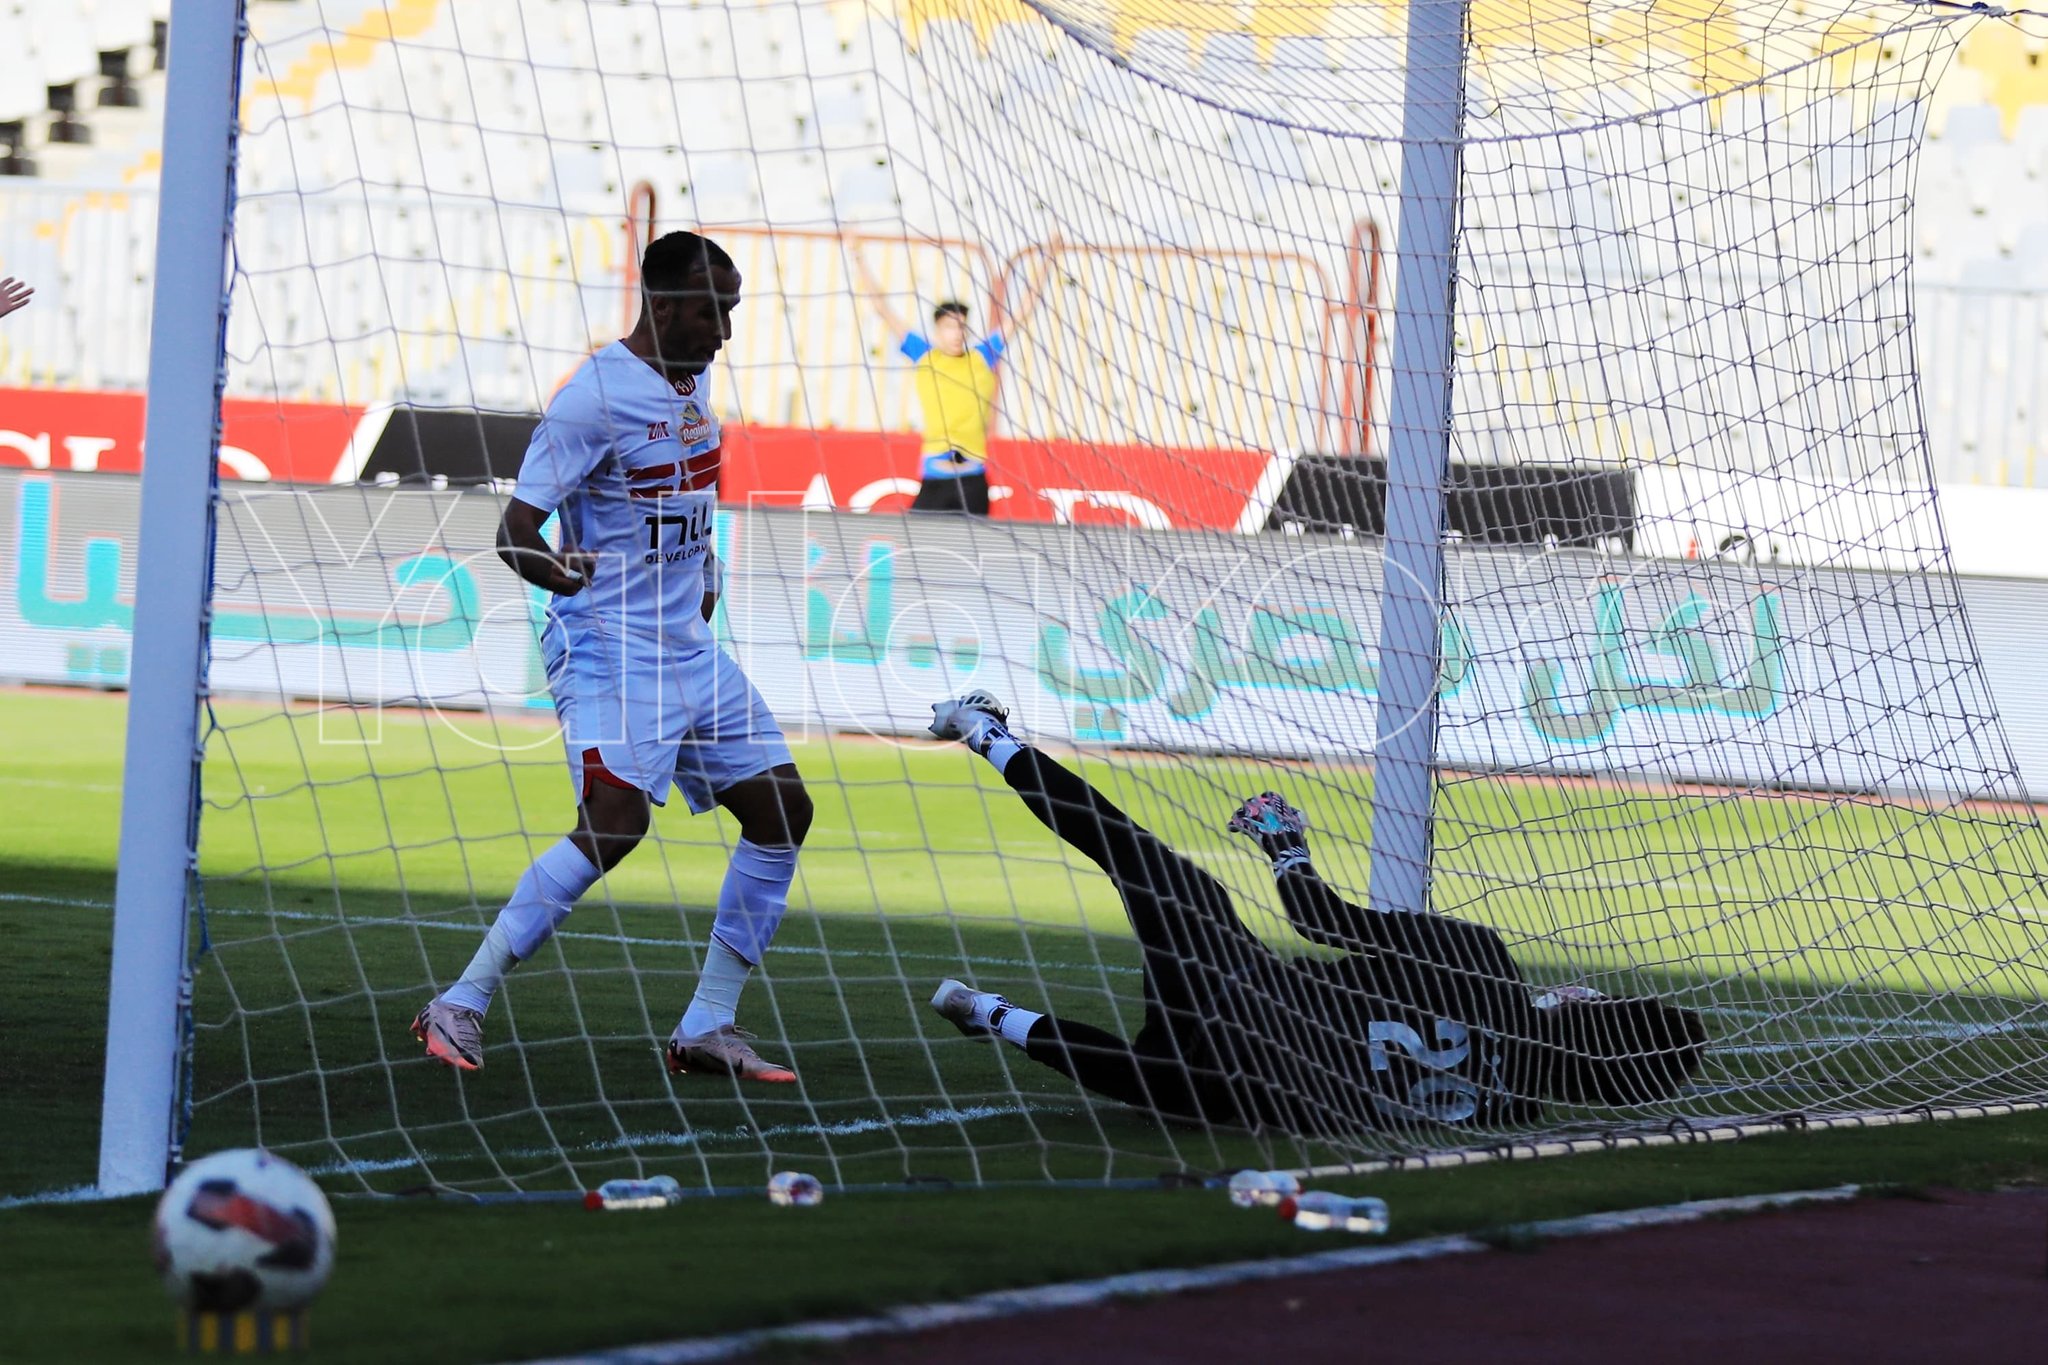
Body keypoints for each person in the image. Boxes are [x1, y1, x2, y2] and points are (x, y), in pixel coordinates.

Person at [924, 691, 1707, 1134]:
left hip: (1236, 988)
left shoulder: (1484, 962)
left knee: (1139, 857)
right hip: (1239, 1088)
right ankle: (987, 1012)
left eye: (1601, 997)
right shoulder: (1508, 1113)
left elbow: (1319, 918)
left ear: (1589, 1010)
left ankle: (986, 731)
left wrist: (1284, 842)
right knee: (1169, 1088)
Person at [411, 231, 813, 1084]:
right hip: (609, 644)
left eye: (731, 311)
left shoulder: (693, 379)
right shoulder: (590, 400)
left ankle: (706, 1025)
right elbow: (516, 532)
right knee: (615, 824)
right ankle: (458, 1002)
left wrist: (706, 569)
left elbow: (690, 489)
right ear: (662, 306)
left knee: (782, 810)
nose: (724, 332)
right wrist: (560, 572)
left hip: (686, 646)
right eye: (710, 312)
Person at [851, 259, 1004, 514]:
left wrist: (1051, 254)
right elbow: (882, 308)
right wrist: (856, 254)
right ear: (937, 330)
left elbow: (1022, 314)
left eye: (962, 327)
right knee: (918, 537)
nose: (957, 333)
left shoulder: (982, 357)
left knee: (976, 539)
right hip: (935, 477)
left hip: (973, 477)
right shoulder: (925, 355)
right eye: (950, 327)